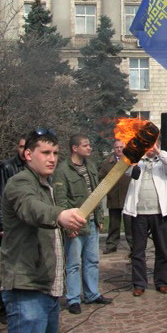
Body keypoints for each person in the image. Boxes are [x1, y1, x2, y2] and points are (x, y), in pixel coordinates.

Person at [0, 129, 86, 333]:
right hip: (26, 288)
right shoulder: (20, 183)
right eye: (45, 152)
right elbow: (31, 208)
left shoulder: (47, 186)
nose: (52, 158)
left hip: (48, 287)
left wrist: (64, 225)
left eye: (56, 153)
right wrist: (59, 216)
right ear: (27, 154)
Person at [53, 134, 112, 314]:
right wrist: (68, 226)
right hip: (75, 224)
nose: (89, 148)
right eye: (85, 145)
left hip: (92, 223)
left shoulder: (90, 166)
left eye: (89, 145)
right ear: (75, 148)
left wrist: (99, 218)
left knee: (92, 260)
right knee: (73, 263)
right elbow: (61, 201)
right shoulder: (63, 170)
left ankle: (92, 294)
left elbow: (97, 193)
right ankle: (73, 299)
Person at [124, 141, 167, 295]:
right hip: (139, 212)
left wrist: (158, 153)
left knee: (162, 248)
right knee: (138, 250)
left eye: (153, 145)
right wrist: (138, 155)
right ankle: (139, 284)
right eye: (148, 145)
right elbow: (127, 172)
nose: (151, 148)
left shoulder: (164, 157)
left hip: (159, 211)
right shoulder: (136, 159)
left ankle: (161, 281)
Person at [0, 136, 26, 324]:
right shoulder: (7, 167)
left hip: (25, 226)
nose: (22, 150)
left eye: (25, 147)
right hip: (10, 227)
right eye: (20, 146)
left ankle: (20, 304)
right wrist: (1, 226)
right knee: (8, 268)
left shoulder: (32, 167)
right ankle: (4, 307)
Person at [99, 138, 132, 254]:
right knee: (114, 224)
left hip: (128, 197)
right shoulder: (108, 162)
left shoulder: (131, 161)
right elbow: (101, 177)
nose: (119, 149)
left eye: (121, 147)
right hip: (113, 197)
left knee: (130, 225)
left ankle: (133, 247)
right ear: (114, 149)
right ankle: (111, 245)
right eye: (117, 147)